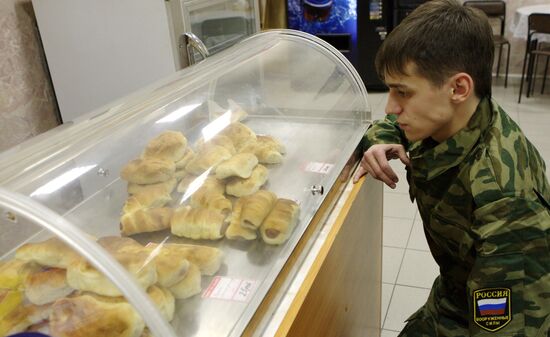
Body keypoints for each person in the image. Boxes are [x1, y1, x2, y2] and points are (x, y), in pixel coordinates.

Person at [353, 0, 550, 336]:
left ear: (459, 88)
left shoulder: (506, 201)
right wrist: (378, 139)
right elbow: (392, 122)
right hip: (452, 291)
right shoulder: (454, 114)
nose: (390, 106)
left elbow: (506, 325)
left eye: (402, 92)